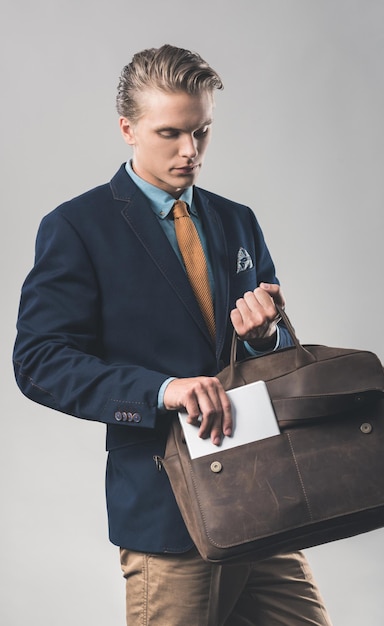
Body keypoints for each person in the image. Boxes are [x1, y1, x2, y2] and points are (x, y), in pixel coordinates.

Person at [13, 44, 332, 625]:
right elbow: (39, 361)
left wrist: (265, 338)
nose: (190, 152)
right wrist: (164, 390)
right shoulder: (77, 228)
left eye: (202, 132)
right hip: (170, 512)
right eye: (171, 134)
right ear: (127, 129)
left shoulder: (238, 221)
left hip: (265, 496)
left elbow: (282, 356)